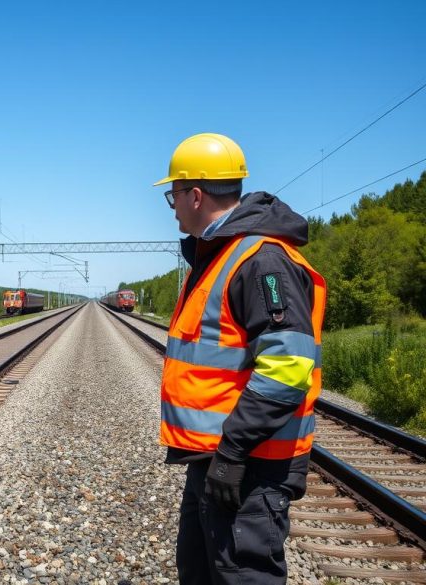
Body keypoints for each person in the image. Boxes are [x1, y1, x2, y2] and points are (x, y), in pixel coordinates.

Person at [154, 133, 326, 584]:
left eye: (173, 194)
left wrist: (232, 451)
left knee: (243, 575)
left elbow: (287, 368)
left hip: (249, 462)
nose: (171, 205)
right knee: (199, 570)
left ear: (195, 195)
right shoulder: (220, 257)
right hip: (213, 457)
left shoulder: (260, 262)